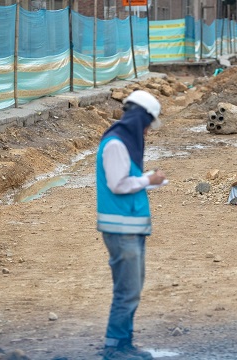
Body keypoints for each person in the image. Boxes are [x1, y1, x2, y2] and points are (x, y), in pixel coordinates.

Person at [96, 90, 167, 360]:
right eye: (148, 124)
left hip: (131, 227)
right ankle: (115, 348)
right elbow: (117, 184)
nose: (148, 131)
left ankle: (124, 343)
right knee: (127, 291)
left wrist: (147, 178)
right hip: (121, 229)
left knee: (132, 289)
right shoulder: (116, 144)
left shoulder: (125, 142)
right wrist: (149, 181)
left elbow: (126, 178)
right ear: (140, 118)